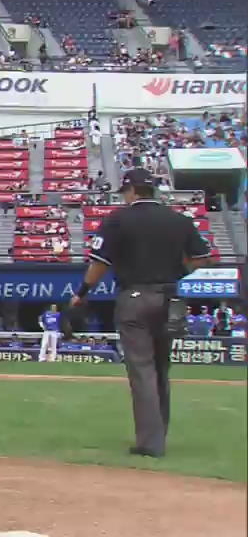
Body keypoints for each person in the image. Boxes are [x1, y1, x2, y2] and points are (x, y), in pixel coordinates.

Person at [70, 168, 213, 458]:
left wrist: (81, 293)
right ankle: (159, 434)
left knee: (142, 370)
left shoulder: (118, 220)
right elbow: (201, 259)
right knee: (161, 369)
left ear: (131, 191)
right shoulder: (179, 220)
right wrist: (176, 274)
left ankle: (150, 443)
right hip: (169, 298)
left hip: (134, 297)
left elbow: (99, 264)